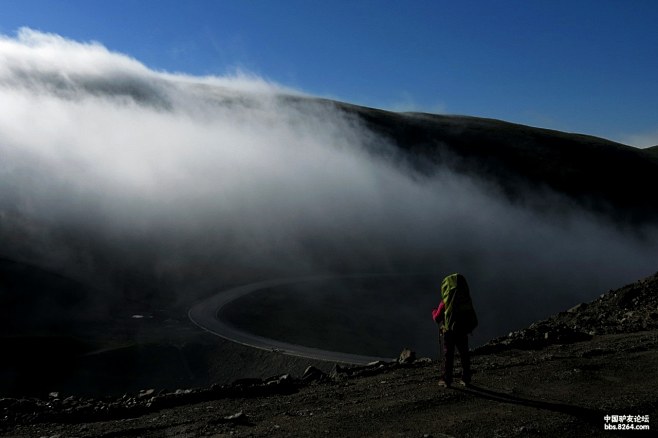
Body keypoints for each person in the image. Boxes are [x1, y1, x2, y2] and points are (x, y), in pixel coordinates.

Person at [432, 273, 478, 387]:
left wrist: (433, 312)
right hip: (463, 330)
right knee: (464, 353)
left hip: (449, 332)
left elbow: (437, 317)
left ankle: (446, 380)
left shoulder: (445, 301)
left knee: (448, 355)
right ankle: (466, 378)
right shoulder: (466, 299)